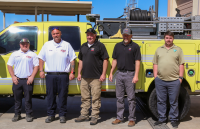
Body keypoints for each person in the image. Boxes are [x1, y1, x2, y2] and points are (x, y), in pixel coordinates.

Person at [38, 27, 77, 123]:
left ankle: (62, 115)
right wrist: (41, 71)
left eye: (57, 33)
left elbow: (72, 59)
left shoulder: (66, 45)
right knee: (50, 96)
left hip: (63, 75)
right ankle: (51, 115)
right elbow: (41, 58)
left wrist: (72, 72)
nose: (56, 35)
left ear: (61, 34)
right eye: (54, 34)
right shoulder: (47, 45)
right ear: (52, 35)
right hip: (50, 75)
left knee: (63, 96)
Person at [75, 28, 109, 125]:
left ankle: (94, 116)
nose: (89, 37)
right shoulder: (83, 46)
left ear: (95, 35)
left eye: (91, 35)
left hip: (96, 77)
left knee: (95, 98)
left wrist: (103, 74)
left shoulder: (100, 46)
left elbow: (105, 60)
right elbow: (80, 61)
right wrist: (79, 73)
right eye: (88, 35)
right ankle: (84, 115)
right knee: (84, 97)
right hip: (85, 77)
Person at [109, 28, 141, 127]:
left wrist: (136, 75)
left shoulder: (135, 46)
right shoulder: (117, 46)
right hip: (119, 74)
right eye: (124, 35)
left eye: (127, 35)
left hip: (130, 74)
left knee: (131, 98)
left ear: (131, 36)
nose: (125, 36)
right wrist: (111, 72)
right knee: (119, 97)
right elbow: (114, 60)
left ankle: (132, 119)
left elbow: (137, 62)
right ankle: (119, 117)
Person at [152, 31, 185, 128]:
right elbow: (155, 63)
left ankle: (174, 119)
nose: (168, 40)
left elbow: (181, 64)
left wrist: (180, 78)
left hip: (174, 81)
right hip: (160, 80)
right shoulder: (159, 49)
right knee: (161, 101)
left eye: (170, 38)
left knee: (173, 101)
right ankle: (162, 119)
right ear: (164, 38)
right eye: (167, 38)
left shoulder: (178, 49)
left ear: (173, 38)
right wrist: (155, 77)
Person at [7, 38, 39, 122]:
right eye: (23, 44)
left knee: (28, 99)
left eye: (26, 44)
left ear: (29, 44)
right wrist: (13, 77)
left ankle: (29, 114)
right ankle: (17, 114)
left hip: (28, 80)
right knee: (17, 99)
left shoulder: (33, 54)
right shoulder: (15, 54)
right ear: (20, 44)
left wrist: (32, 77)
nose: (25, 45)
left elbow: (36, 66)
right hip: (17, 80)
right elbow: (9, 65)